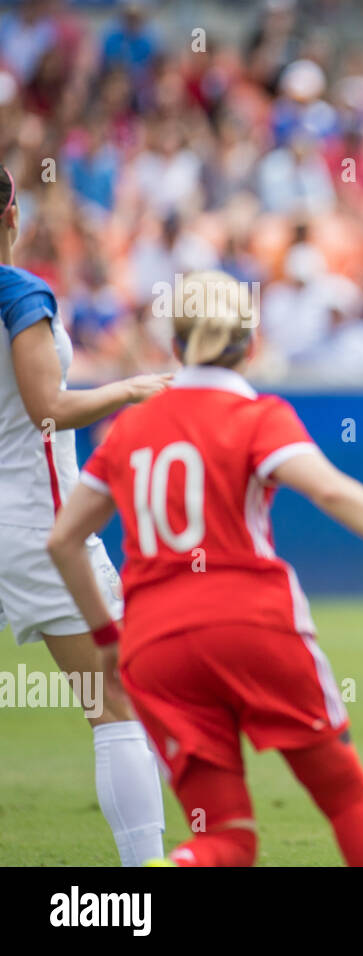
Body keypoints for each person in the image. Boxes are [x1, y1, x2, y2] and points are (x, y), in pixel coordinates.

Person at [47, 270, 363, 866]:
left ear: (175, 345)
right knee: (344, 798)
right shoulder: (256, 416)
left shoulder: (129, 428)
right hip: (252, 623)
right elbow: (331, 492)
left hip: (155, 645)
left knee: (227, 838)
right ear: (251, 345)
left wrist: (106, 637)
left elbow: (64, 540)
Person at [0, 163, 170, 866]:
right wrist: (130, 388)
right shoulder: (19, 291)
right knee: (117, 703)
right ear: (12, 215)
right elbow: (49, 408)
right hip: (37, 526)